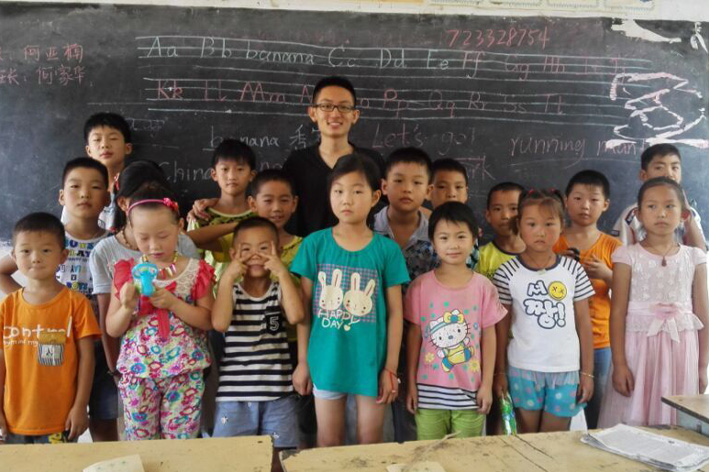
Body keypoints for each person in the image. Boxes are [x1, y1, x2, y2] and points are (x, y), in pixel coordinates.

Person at [291, 154, 409, 446]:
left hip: (371, 363)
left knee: (370, 443)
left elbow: (396, 313)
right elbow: (304, 311)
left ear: (375, 197)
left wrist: (390, 367)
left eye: (357, 191)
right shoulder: (314, 244)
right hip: (326, 360)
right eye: (338, 190)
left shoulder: (387, 250)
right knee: (328, 442)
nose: (346, 199)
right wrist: (303, 362)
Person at [0, 158, 118, 441]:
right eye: (75, 186)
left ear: (107, 198)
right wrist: (35, 303)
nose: (84, 193)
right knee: (52, 417)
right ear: (62, 196)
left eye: (95, 187)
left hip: (101, 344)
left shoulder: (113, 243)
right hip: (55, 340)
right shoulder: (47, 238)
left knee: (103, 420)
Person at [599, 177, 709, 427]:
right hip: (637, 350)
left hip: (681, 350)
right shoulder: (627, 256)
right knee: (633, 414)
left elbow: (704, 314)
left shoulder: (695, 257)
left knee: (677, 421)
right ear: (638, 214)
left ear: (683, 215)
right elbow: (617, 313)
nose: (661, 213)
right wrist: (619, 363)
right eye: (652, 206)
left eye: (669, 206)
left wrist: (702, 366)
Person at [106, 187, 214, 440]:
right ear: (131, 231)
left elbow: (208, 320)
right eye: (143, 237)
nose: (154, 245)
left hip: (184, 372)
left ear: (179, 227)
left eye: (163, 236)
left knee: (181, 443)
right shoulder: (126, 271)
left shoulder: (196, 270)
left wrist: (174, 303)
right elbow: (112, 328)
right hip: (138, 372)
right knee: (140, 442)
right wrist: (126, 307)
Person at [492, 189, 595, 433]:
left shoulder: (573, 270)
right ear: (519, 226)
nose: (541, 232)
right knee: (526, 441)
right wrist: (499, 372)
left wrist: (587, 373)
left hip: (565, 371)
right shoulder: (507, 273)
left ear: (561, 226)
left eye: (549, 224)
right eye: (532, 224)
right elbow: (500, 329)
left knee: (553, 443)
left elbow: (584, 323)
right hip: (523, 369)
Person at [89, 160, 199, 385]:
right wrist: (114, 370)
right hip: (136, 368)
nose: (155, 246)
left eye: (158, 195)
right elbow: (108, 317)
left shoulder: (182, 244)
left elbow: (204, 312)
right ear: (123, 203)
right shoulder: (109, 256)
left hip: (184, 366)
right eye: (142, 197)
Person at [405, 202, 506, 440]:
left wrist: (486, 385)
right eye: (444, 237)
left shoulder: (484, 287)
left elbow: (489, 337)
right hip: (428, 395)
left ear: (474, 239)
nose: (453, 245)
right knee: (430, 454)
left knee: (466, 457)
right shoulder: (420, 286)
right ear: (432, 242)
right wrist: (410, 383)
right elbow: (414, 336)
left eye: (461, 236)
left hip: (471, 393)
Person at [211, 217, 304, 472]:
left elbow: (296, 316)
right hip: (235, 397)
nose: (255, 255)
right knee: (233, 461)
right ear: (233, 254)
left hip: (278, 395)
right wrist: (227, 278)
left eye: (264, 248)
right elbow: (219, 323)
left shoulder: (279, 290)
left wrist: (282, 273)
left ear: (278, 252)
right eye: (246, 249)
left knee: (278, 460)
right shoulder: (231, 291)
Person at [0, 213, 100, 443]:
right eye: (26, 251)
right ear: (14, 256)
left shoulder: (76, 304)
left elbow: (87, 359)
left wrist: (80, 406)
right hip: (14, 419)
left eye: (46, 250)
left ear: (63, 256)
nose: (35, 258)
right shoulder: (8, 307)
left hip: (60, 420)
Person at [373, 147, 433, 442]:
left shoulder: (439, 235)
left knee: (413, 417)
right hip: (375, 338)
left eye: (416, 182)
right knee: (377, 420)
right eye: (398, 181)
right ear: (384, 187)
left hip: (423, 341)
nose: (407, 189)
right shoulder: (367, 228)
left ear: (429, 190)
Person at [553, 170, 621, 429]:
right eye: (578, 198)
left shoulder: (613, 246)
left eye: (594, 200)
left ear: (605, 205)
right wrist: (556, 266)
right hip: (559, 339)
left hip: (600, 339)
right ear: (566, 201)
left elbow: (629, 292)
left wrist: (607, 275)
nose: (585, 206)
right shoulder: (552, 241)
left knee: (598, 409)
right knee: (559, 409)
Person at [282, 76, 384, 237]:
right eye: (326, 106)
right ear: (313, 113)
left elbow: (389, 211)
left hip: (363, 250)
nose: (335, 114)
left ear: (355, 115)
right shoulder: (297, 163)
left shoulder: (372, 161)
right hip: (310, 250)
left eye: (344, 107)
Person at [612, 143, 705, 250]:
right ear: (644, 175)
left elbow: (701, 254)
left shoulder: (690, 214)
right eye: (659, 168)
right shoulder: (632, 215)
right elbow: (618, 255)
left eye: (674, 167)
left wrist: (686, 212)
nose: (669, 174)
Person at [187, 139, 257, 281]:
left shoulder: (258, 214)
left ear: (251, 175)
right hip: (213, 291)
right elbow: (191, 261)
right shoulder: (202, 215)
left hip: (253, 291)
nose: (232, 176)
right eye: (225, 169)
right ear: (214, 174)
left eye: (240, 169)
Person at [61, 112, 133, 233]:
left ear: (127, 148)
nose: (104, 145)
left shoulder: (136, 187)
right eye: (97, 140)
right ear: (89, 151)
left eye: (113, 138)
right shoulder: (78, 191)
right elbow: (67, 233)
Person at [430, 158, 479, 270]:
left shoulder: (470, 229)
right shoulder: (421, 230)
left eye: (458, 187)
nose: (451, 194)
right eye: (442, 187)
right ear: (428, 191)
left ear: (466, 193)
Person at [476, 182, 526, 281]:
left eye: (513, 208)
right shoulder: (479, 257)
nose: (505, 216)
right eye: (497, 209)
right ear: (488, 215)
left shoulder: (540, 254)